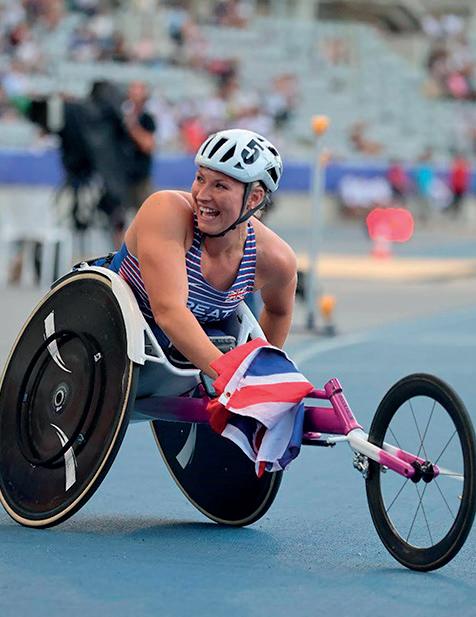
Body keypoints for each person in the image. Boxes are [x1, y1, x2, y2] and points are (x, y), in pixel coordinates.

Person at [105, 128, 297, 378]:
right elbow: (169, 312)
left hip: (183, 353)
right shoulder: (165, 210)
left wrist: (262, 373)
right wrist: (237, 380)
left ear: (254, 198)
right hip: (113, 331)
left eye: (220, 186)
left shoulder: (275, 258)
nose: (202, 195)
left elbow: (279, 311)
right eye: (200, 179)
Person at [121, 81, 157, 214]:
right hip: (122, 175)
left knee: (146, 212)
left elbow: (147, 145)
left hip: (140, 177)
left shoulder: (147, 119)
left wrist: (132, 126)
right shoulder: (120, 117)